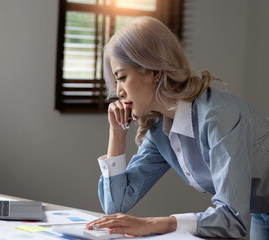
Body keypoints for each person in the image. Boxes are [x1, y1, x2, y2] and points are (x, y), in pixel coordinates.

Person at [85, 16, 269, 239]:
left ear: (155, 72)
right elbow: (115, 205)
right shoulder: (160, 132)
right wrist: (117, 133)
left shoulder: (219, 116)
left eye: (122, 77)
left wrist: (153, 223)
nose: (119, 92)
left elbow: (233, 218)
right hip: (263, 211)